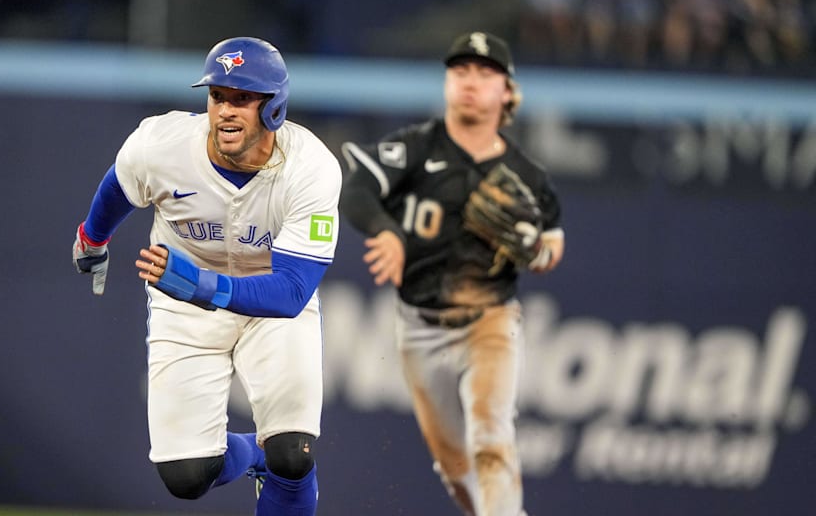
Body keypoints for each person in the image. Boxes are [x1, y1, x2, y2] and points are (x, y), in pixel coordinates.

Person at [72, 36, 341, 516]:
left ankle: (274, 458)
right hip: (184, 306)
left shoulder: (311, 167)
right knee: (187, 476)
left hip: (266, 300)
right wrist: (93, 238)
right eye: (218, 96)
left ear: (274, 107)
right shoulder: (163, 144)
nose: (226, 112)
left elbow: (294, 292)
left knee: (293, 454)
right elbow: (120, 183)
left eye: (243, 99)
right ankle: (254, 454)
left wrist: (202, 286)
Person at [339, 31, 564, 516]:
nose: (471, 81)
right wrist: (386, 230)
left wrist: (534, 250)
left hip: (490, 321)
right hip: (419, 326)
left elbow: (553, 247)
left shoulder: (527, 175)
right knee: (454, 465)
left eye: (485, 73)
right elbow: (357, 190)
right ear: (446, 82)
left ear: (507, 91)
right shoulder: (416, 148)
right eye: (460, 71)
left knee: (491, 434)